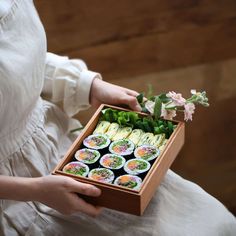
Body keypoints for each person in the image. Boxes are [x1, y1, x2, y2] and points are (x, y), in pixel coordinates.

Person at [0, 1, 235, 235]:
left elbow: (18, 57)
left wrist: (88, 85)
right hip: (16, 195)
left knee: (210, 222)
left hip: (55, 145)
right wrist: (33, 190)